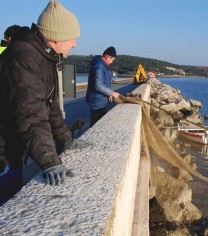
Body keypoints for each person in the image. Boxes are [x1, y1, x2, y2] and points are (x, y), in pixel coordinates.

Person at [0, 0, 91, 205]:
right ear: (57, 36)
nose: (75, 44)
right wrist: (50, 162)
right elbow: (30, 114)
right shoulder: (24, 56)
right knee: (8, 207)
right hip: (3, 154)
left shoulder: (45, 56)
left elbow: (51, 107)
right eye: (72, 38)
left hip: (13, 149)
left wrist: (66, 140)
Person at [86, 47, 120, 127]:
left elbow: (104, 83)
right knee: (96, 125)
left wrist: (108, 94)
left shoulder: (103, 65)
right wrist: (113, 93)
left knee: (99, 123)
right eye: (112, 60)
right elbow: (98, 85)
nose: (111, 62)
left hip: (100, 99)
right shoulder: (99, 66)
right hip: (97, 101)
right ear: (107, 57)